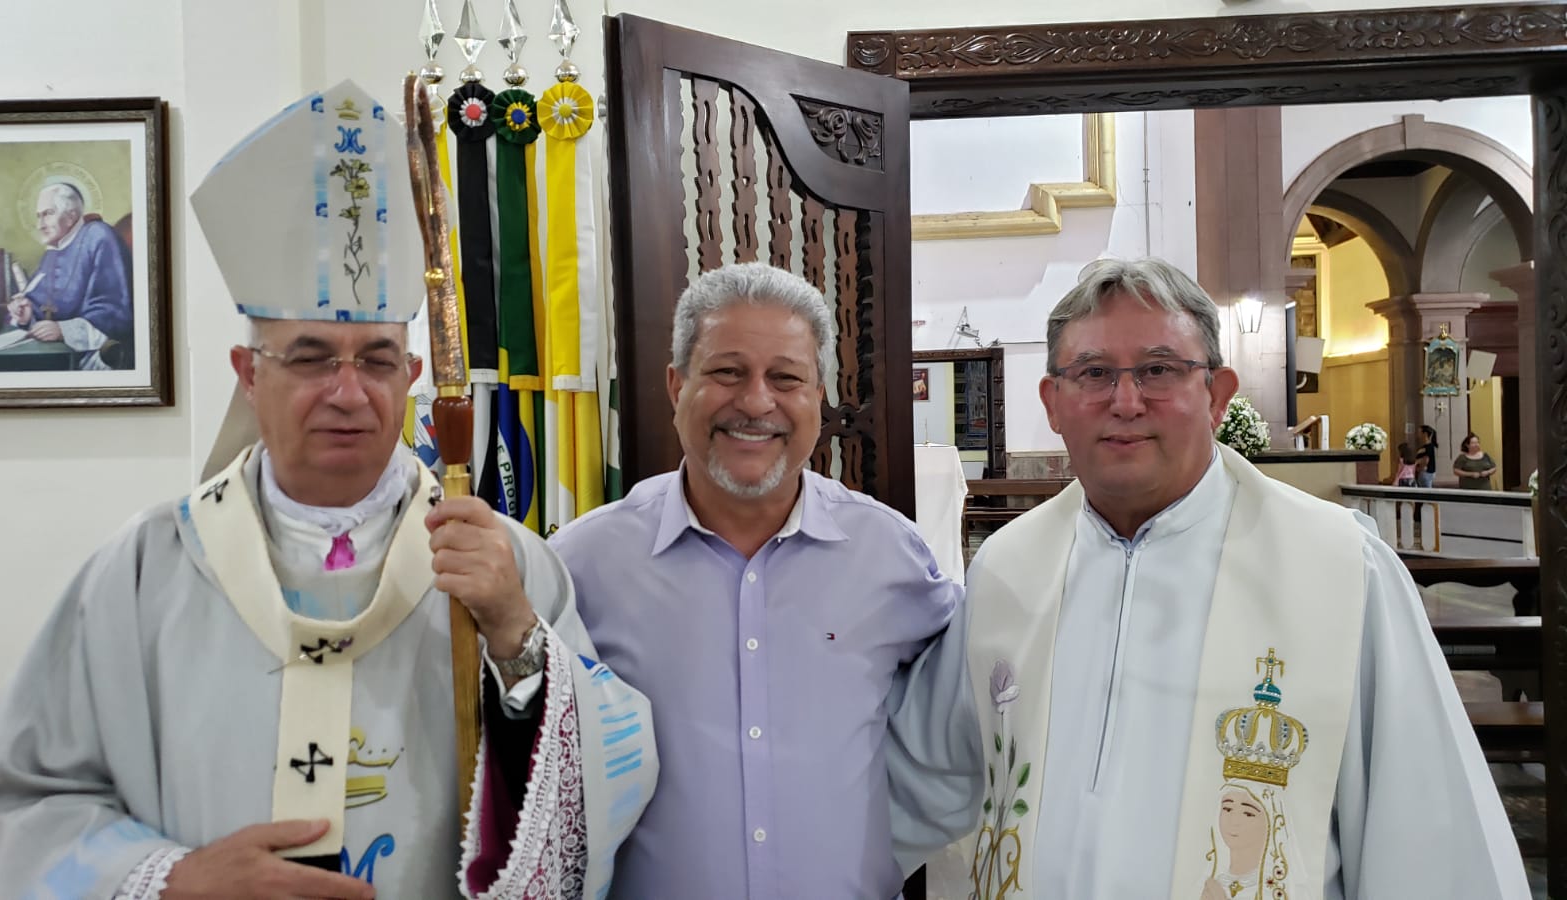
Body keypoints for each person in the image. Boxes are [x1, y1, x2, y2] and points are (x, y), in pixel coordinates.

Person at [0, 79, 655, 900]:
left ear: (411, 376)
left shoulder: (500, 562)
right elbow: (20, 805)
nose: (347, 392)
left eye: (376, 360)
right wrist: (171, 880)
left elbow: (616, 771)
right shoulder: (146, 569)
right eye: (309, 357)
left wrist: (515, 639)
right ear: (248, 373)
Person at [956, 257, 1527, 898]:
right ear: (1053, 403)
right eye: (1093, 373)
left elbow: (1429, 840)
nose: (1125, 401)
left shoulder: (1341, 571)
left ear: (1218, 395)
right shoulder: (1006, 570)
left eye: (1159, 370)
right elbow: (941, 779)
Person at [547, 261, 981, 899]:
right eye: (727, 372)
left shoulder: (889, 556)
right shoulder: (585, 565)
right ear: (676, 385)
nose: (755, 403)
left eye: (786, 378)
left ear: (818, 396)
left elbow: (965, 710)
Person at [4, 181, 134, 369]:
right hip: (57, 352)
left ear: (71, 215)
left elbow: (113, 311)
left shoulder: (99, 236)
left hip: (98, 356)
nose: (40, 225)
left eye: (48, 214)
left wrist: (64, 331)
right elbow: (42, 305)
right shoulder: (53, 250)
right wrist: (27, 315)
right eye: (38, 216)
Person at [1414, 423, 1440, 488]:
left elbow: (1426, 459)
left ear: (1425, 434)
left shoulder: (1429, 447)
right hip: (1425, 473)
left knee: (1426, 491)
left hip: (1426, 473)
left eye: (1419, 432)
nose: (1418, 434)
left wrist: (1420, 468)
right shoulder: (1425, 447)